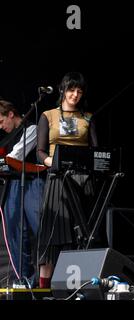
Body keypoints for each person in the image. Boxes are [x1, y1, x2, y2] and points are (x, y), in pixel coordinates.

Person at [36, 72, 98, 288]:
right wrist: (51, 162)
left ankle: (84, 287)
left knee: (83, 235)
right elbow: (40, 152)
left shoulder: (87, 118)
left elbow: (95, 152)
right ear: (63, 89)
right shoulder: (48, 115)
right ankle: (45, 289)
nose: (75, 95)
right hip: (57, 180)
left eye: (80, 91)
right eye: (72, 90)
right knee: (52, 236)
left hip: (82, 181)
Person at [0, 99, 45, 285]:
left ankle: (44, 279)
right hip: (13, 184)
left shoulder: (32, 128)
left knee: (39, 229)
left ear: (11, 114)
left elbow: (13, 157)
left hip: (32, 183)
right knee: (15, 233)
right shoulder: (7, 138)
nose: (0, 126)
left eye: (1, 121)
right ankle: (23, 279)